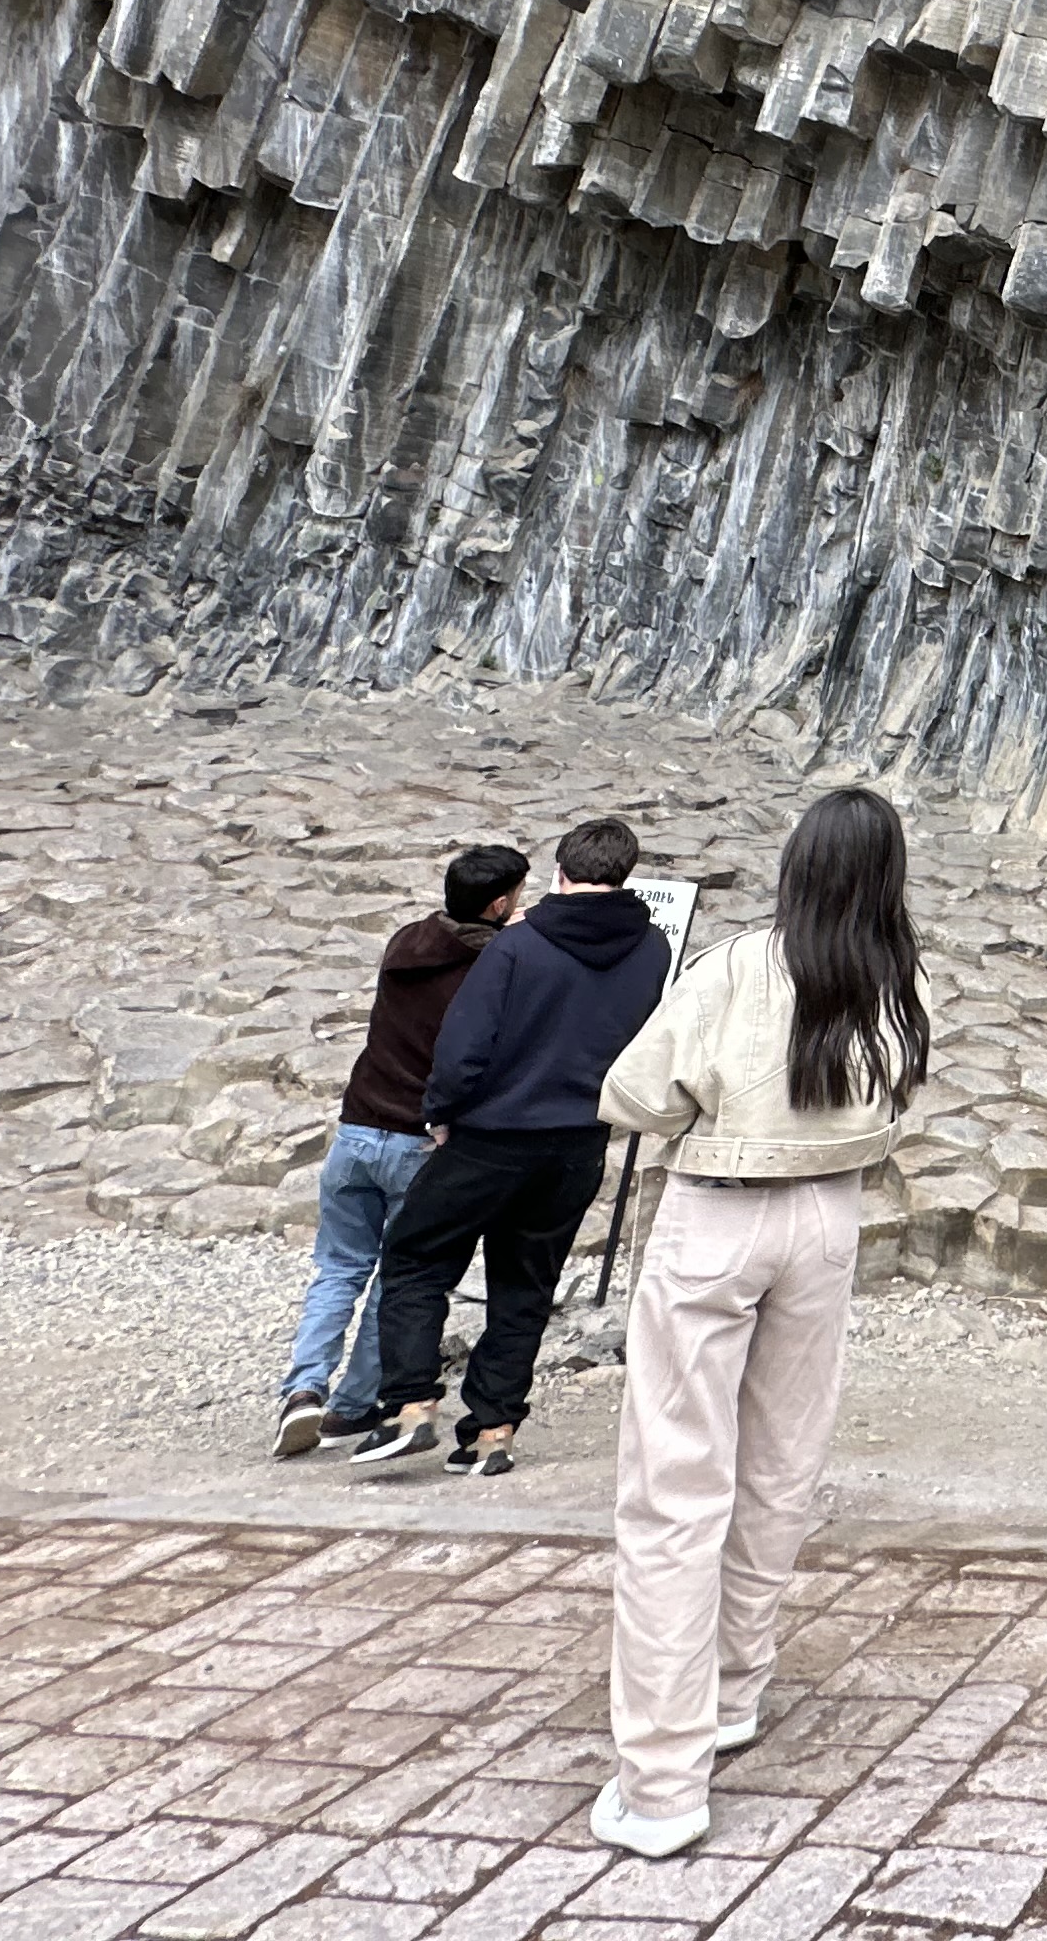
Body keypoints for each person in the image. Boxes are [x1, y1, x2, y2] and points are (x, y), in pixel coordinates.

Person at [585, 787, 933, 1862]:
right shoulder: (900, 976)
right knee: (781, 1464)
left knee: (674, 1486)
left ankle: (661, 1781)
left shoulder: (736, 966)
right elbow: (898, 1102)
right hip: (827, 1220)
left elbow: (636, 1095)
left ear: (798, 865)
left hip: (719, 1213)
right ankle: (735, 1689)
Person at [352, 815, 668, 1478]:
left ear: (560, 872)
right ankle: (492, 1430)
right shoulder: (653, 950)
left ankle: (410, 1403)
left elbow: (465, 1045)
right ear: (626, 874)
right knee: (525, 1287)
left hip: (493, 1137)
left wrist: (441, 1112)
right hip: (579, 1142)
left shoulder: (517, 946)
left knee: (416, 1257)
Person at [275, 843, 528, 1454]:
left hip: (358, 1127)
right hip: (419, 1141)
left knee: (338, 1269)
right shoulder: (496, 967)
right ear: (500, 904)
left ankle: (303, 1389)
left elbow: (455, 939)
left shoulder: (405, 942)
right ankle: (353, 1405)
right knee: (399, 1275)